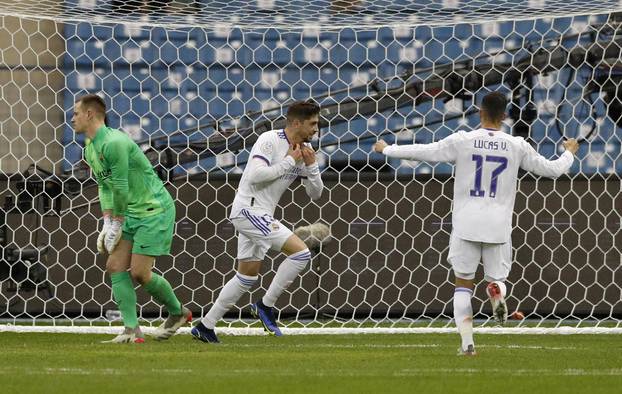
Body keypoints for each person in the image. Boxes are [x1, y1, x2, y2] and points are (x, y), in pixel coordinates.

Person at [373, 92, 579, 355]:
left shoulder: (463, 140)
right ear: (505, 116)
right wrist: (569, 153)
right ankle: (496, 291)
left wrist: (387, 149)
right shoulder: (517, 145)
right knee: (497, 278)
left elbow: (426, 152)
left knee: (462, 285)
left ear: (479, 112)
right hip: (498, 225)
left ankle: (468, 344)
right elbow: (551, 170)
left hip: (466, 223)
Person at [192, 101, 324, 343]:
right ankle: (265, 306)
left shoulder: (303, 150)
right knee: (301, 254)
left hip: (260, 214)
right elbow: (255, 176)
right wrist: (289, 162)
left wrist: (312, 166)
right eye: (313, 123)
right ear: (297, 123)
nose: (317, 128)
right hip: (249, 211)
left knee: (247, 277)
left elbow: (315, 193)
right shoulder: (270, 140)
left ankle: (205, 326)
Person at [72, 94, 191, 343]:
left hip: (153, 210)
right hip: (128, 212)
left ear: (90, 114)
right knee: (114, 266)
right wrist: (107, 221)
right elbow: (105, 187)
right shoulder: (90, 146)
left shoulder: (114, 142)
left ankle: (179, 312)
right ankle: (131, 330)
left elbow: (122, 188)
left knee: (139, 273)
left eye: (75, 113)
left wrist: (116, 223)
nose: (72, 118)